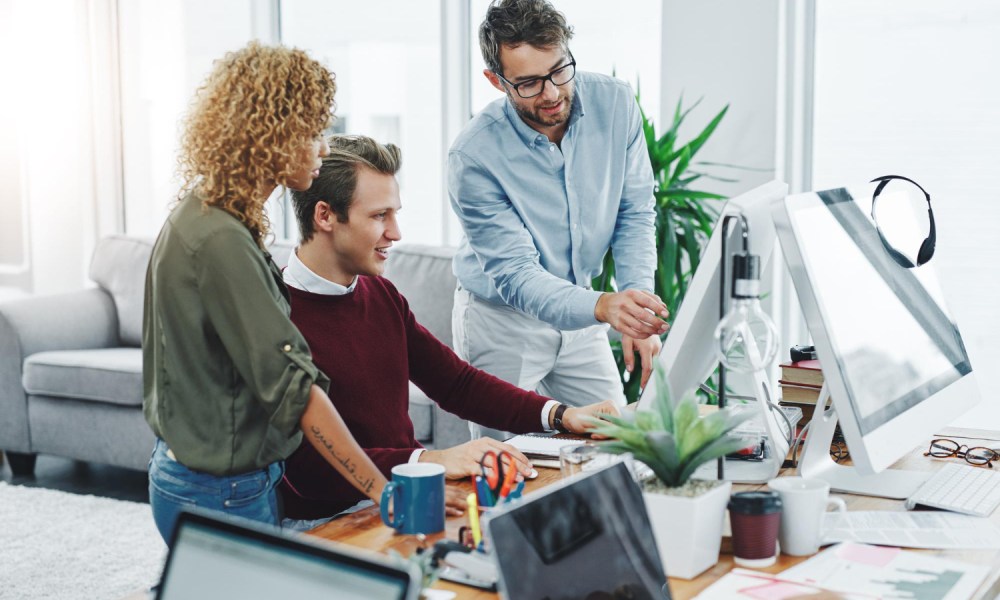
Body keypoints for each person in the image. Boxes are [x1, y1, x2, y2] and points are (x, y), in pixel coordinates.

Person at [278, 134, 619, 522]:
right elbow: (306, 471)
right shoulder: (276, 318)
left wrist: (560, 415)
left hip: (411, 490)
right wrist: (431, 459)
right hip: (331, 520)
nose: (396, 232)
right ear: (325, 216)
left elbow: (457, 384)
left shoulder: (380, 294)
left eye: (395, 213)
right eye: (379, 216)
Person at [143, 42, 388, 543]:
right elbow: (296, 391)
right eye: (312, 132)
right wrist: (384, 493)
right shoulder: (219, 240)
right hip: (220, 494)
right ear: (269, 133)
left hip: (207, 479)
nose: (324, 147)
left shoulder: (212, 211)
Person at [449, 0, 668, 426]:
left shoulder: (616, 104)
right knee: (507, 467)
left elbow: (635, 211)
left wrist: (635, 307)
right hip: (502, 322)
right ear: (496, 81)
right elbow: (516, 276)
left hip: (582, 309)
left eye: (559, 71)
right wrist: (607, 307)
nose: (551, 93)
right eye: (528, 83)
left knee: (615, 439)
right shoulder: (473, 155)